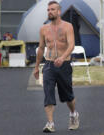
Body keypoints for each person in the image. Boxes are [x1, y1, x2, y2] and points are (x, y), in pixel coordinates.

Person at [33, 1, 79, 133]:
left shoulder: (67, 26)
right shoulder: (44, 29)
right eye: (48, 10)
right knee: (48, 94)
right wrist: (36, 67)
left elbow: (71, 45)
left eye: (52, 9)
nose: (49, 12)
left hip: (64, 65)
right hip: (48, 65)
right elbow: (41, 48)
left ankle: (73, 114)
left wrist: (63, 57)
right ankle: (50, 123)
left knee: (67, 96)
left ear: (59, 11)